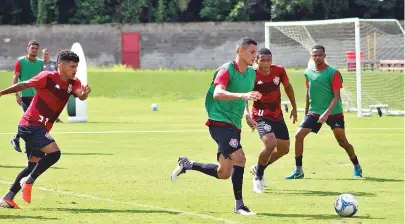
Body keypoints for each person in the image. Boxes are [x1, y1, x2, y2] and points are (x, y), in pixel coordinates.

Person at [170, 37, 261, 215]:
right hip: (219, 122)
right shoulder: (226, 70)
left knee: (224, 172)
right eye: (251, 52)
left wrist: (247, 114)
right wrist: (243, 96)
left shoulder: (251, 73)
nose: (254, 56)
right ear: (240, 51)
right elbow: (218, 93)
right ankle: (239, 206)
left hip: (234, 124)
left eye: (255, 52)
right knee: (240, 158)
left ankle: (188, 164)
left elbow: (245, 98)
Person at [0, 50, 91, 209]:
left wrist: (84, 95)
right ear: (61, 65)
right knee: (54, 153)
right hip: (30, 125)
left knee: (31, 166)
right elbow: (24, 84)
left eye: (76, 66)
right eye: (72, 66)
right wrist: (2, 92)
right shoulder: (47, 77)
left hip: (39, 127)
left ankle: (7, 198)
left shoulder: (73, 82)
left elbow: (79, 94)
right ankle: (28, 181)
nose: (75, 70)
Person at [285, 44, 362, 180]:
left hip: (334, 112)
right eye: (315, 55)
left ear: (324, 56)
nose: (317, 57)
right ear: (312, 56)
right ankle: (298, 170)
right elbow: (308, 92)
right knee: (298, 136)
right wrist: (306, 113)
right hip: (314, 112)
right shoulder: (308, 72)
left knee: (342, 141)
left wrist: (327, 113)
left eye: (320, 55)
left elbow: (337, 96)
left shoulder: (333, 72)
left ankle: (356, 166)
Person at [245, 48, 297, 193]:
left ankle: (258, 167)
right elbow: (246, 96)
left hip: (277, 115)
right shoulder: (251, 75)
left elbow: (288, 87)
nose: (266, 63)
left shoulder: (279, 71)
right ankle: (258, 177)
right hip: (260, 115)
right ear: (257, 61)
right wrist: (247, 114)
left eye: (269, 60)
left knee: (284, 149)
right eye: (262, 60)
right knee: (270, 144)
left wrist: (293, 106)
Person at [10, 40, 44, 153]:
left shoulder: (40, 63)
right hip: (24, 95)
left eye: (36, 48)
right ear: (28, 48)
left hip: (37, 96)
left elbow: (42, 78)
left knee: (33, 120)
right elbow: (15, 78)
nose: (34, 50)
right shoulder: (20, 61)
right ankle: (25, 142)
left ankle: (17, 139)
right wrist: (16, 95)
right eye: (32, 48)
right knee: (29, 119)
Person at [42, 48, 63, 123]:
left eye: (47, 54)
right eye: (44, 54)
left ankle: (56, 118)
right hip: (43, 87)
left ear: (49, 55)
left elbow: (59, 74)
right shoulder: (40, 64)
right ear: (42, 55)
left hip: (53, 87)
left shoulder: (54, 64)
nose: (45, 56)